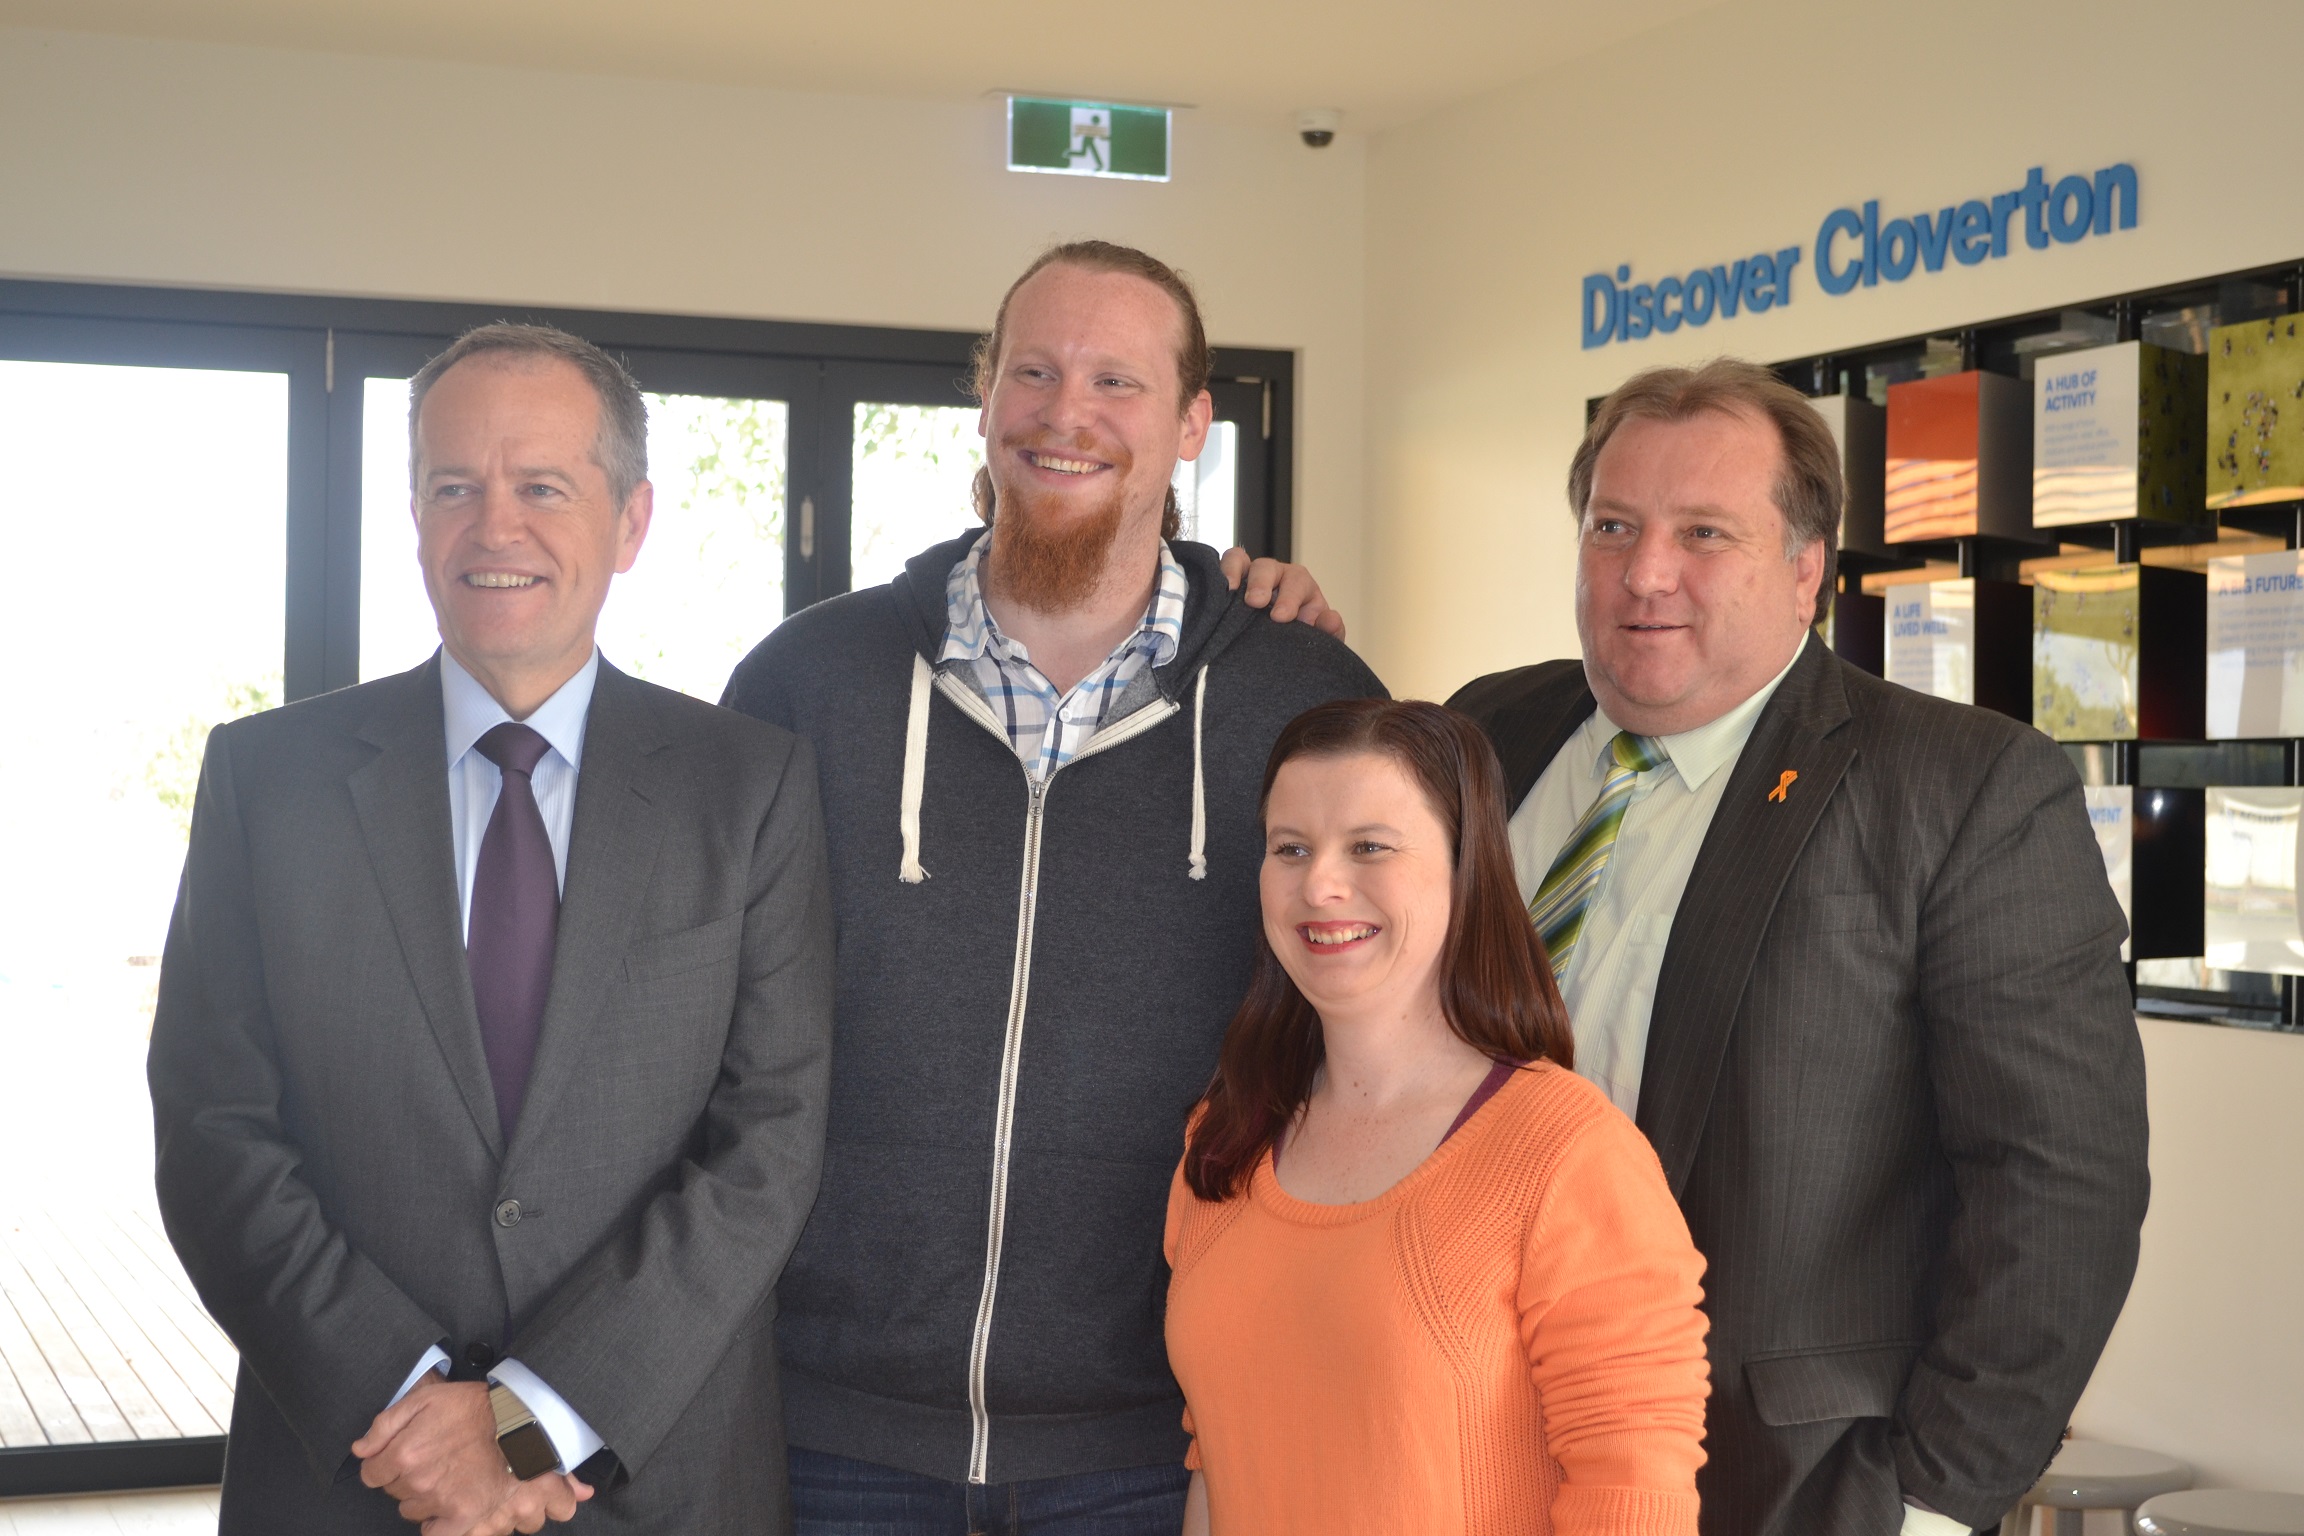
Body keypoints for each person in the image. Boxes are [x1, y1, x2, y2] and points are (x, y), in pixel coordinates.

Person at [721, 240, 1383, 1535]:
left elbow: (1367, 1042)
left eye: (1117, 383)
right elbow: (706, 1031)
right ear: (984, 395)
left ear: (1193, 423)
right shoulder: (807, 683)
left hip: (1156, 1437)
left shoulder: (1305, 706)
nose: (1065, 413)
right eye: (1032, 370)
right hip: (833, 1434)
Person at [149, 323, 835, 1535]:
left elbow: (767, 1147)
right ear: (413, 515)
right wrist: (415, 1411)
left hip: (651, 1475)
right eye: (453, 487)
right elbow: (213, 1129)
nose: (494, 527)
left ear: (631, 523)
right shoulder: (270, 781)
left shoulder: (750, 787)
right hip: (354, 1476)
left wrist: (530, 1419)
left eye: (543, 488)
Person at [1447, 358, 2151, 1536]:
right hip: (1455, 1438)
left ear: (1806, 569)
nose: (1644, 573)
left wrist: (1932, 1503)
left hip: (1771, 1482)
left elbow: (2059, 1182)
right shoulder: (1481, 731)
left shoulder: (1961, 789)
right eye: (1612, 525)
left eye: (1704, 532)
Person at [1164, 698, 1710, 1536]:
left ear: (1465, 868)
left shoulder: (1568, 1153)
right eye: (1290, 849)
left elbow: (1633, 1491)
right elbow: (1220, 1461)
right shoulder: (1223, 1138)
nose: (1320, 884)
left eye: (1370, 847)